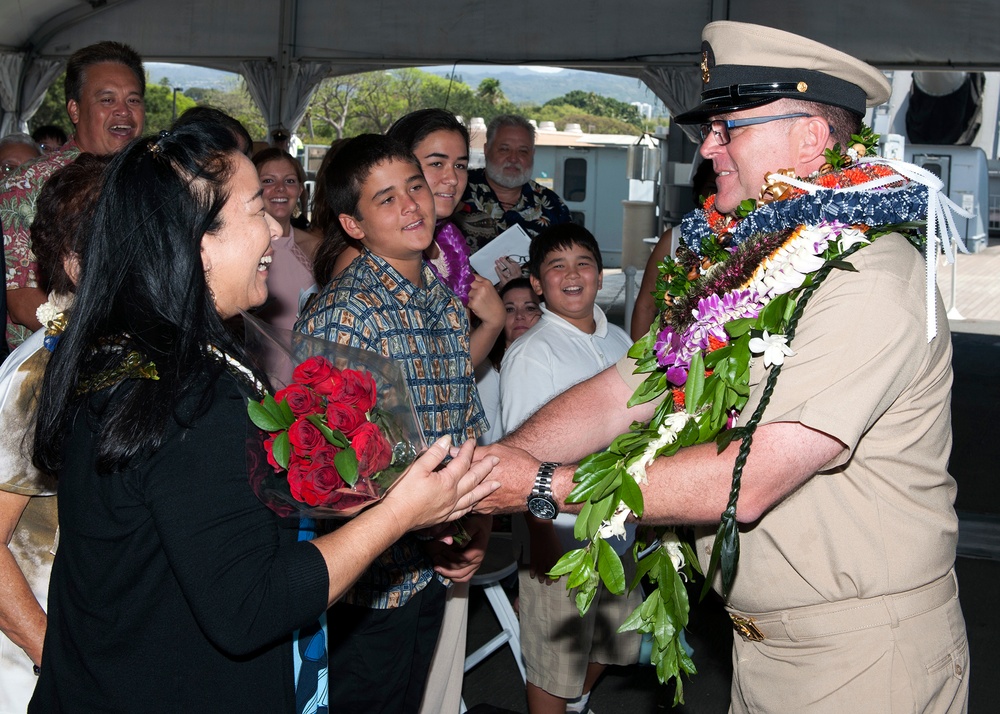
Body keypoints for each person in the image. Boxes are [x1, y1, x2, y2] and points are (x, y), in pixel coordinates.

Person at [479, 20, 969, 713]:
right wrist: (492, 467)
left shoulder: (868, 275)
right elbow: (627, 390)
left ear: (809, 137)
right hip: (767, 648)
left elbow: (753, 476)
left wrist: (534, 486)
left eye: (729, 126)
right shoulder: (750, 270)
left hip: (862, 656)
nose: (708, 146)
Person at [27, 117, 498, 712]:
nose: (279, 228)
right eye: (257, 211)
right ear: (199, 242)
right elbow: (251, 605)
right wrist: (402, 512)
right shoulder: (185, 397)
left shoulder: (141, 354)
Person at [296, 134, 490, 714]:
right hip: (370, 581)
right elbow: (333, 474)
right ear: (353, 225)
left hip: (433, 565)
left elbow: (466, 423)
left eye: (415, 186)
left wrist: (475, 526)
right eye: (386, 199)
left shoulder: (445, 303)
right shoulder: (343, 315)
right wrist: (423, 527)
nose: (411, 205)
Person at [500, 224, 639, 714]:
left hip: (619, 528)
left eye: (582, 262)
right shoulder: (532, 354)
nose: (572, 274)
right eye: (556, 266)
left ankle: (576, 702)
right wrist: (538, 533)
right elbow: (522, 458)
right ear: (537, 284)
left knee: (619, 635)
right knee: (553, 661)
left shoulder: (622, 341)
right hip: (559, 534)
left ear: (601, 276)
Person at [0, 153, 109, 714]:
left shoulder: (105, 356)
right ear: (74, 261)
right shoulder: (43, 373)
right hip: (35, 670)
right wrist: (58, 656)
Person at [2, 40, 145, 351]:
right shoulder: (27, 186)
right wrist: (107, 343)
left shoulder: (155, 181)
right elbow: (21, 298)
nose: (123, 111)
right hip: (51, 367)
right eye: (107, 100)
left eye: (133, 100)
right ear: (75, 110)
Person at [453, 114, 571, 252]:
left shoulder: (552, 206)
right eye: (504, 149)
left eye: (523, 151)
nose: (513, 158)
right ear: (486, 150)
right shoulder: (456, 188)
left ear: (532, 154)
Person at [252, 148, 321, 330]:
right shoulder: (241, 250)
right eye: (268, 181)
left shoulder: (316, 247)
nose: (280, 188)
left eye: (289, 181)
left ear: (299, 189)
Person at [476, 276, 542, 446]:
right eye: (510, 310)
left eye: (529, 308)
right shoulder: (488, 369)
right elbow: (485, 439)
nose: (520, 316)